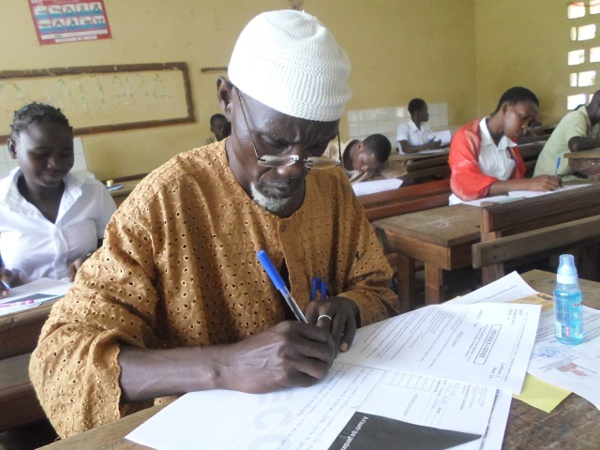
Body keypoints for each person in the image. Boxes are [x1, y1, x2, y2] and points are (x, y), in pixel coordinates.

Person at [30, 10, 398, 438]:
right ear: (226, 98)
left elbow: (377, 286)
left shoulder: (331, 185)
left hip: (324, 419)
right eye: (274, 143)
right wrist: (227, 364)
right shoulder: (164, 203)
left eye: (315, 146)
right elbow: (60, 360)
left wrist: (349, 308)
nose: (294, 169)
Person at [0, 103, 116, 297]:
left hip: (89, 301)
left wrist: (93, 258)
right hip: (24, 314)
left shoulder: (93, 192)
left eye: (65, 153)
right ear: (13, 148)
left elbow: (118, 246)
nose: (55, 164)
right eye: (41, 154)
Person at [448, 87, 561, 204]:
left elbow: (515, 180)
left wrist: (545, 183)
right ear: (506, 108)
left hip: (499, 203)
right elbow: (467, 184)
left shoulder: (509, 141)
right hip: (466, 207)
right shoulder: (466, 137)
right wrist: (528, 183)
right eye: (523, 118)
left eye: (530, 123)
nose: (525, 127)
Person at [534, 90, 600, 177]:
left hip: (570, 174)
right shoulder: (576, 117)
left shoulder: (595, 124)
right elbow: (575, 144)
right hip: (549, 178)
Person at [322, 133, 400, 183]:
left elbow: (404, 178)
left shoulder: (376, 161)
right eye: (363, 162)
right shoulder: (327, 153)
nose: (365, 169)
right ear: (359, 146)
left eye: (371, 168)